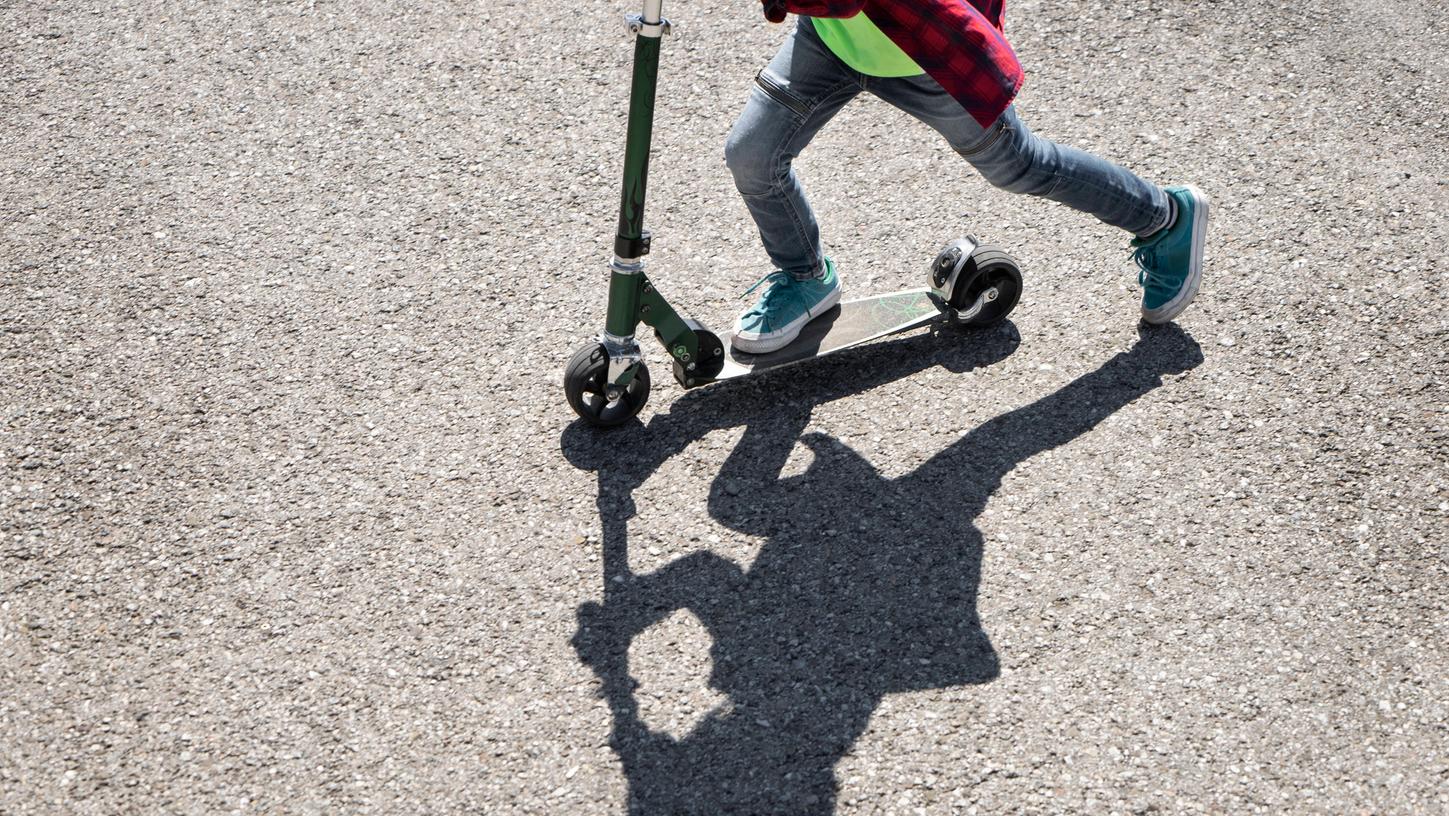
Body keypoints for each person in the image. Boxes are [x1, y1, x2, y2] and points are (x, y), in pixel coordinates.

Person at [728, 0, 1209, 353]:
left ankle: (1164, 218)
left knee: (1018, 165)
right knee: (753, 156)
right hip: (831, 39)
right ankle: (805, 278)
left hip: (927, 48)